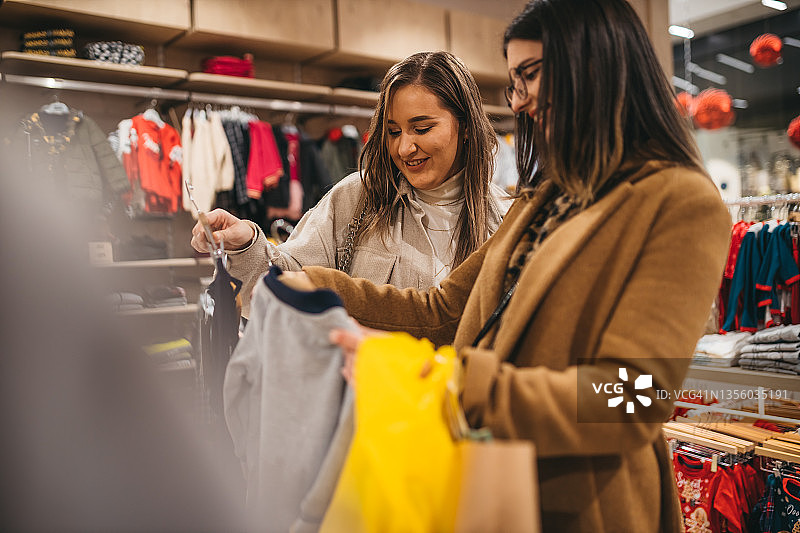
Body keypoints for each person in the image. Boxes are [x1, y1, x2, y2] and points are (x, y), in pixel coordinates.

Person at [282, 0, 732, 531]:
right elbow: (444, 308)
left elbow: (637, 395)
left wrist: (462, 385)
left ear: (596, 63)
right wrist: (305, 281)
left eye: (532, 75)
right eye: (514, 82)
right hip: (489, 482)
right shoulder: (547, 195)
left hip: (584, 506)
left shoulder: (680, 203)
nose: (521, 100)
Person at [190, 51, 512, 317]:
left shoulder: (506, 221)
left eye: (422, 129)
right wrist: (246, 243)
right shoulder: (358, 198)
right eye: (394, 131)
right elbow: (283, 283)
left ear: (466, 126)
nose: (404, 148)